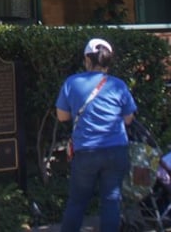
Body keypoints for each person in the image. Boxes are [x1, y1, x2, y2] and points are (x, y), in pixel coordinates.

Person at [55, 37, 137, 232]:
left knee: (77, 201)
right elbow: (128, 119)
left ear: (87, 59)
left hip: (86, 151)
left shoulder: (72, 83)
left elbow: (62, 116)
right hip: (116, 149)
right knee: (111, 200)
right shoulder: (119, 85)